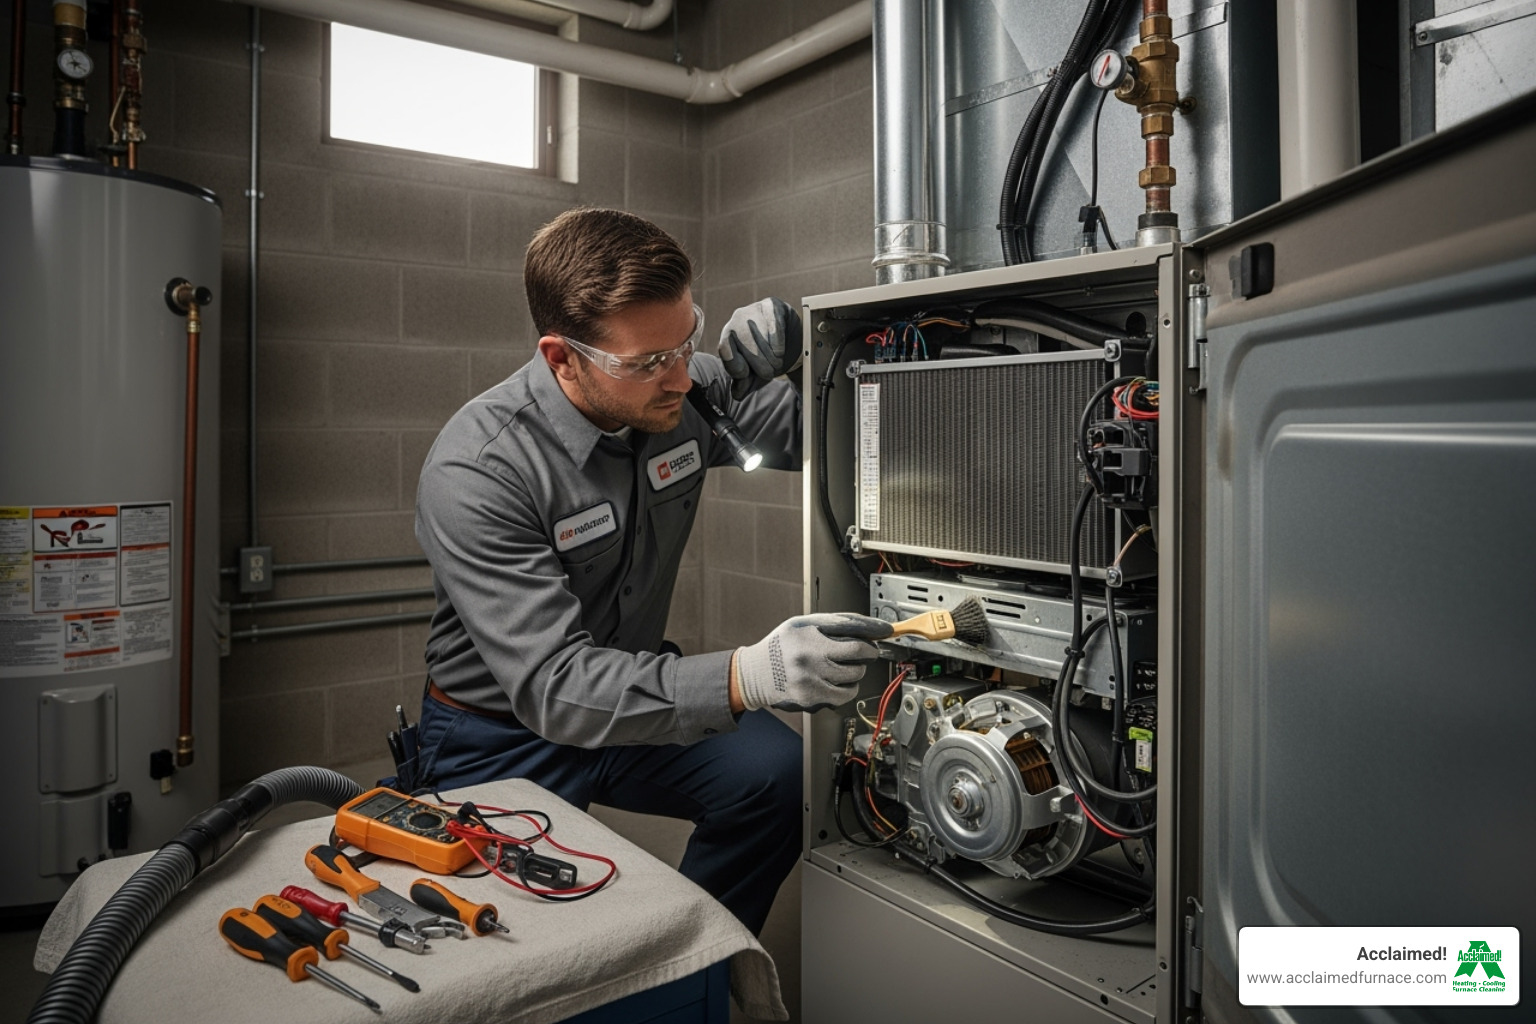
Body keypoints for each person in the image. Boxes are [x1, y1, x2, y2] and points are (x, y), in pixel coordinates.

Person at [410, 207, 893, 935]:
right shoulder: (481, 469)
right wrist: (747, 675)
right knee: (497, 936)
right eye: (646, 362)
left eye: (687, 339)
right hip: (501, 730)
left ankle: (694, 964)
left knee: (776, 780)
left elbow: (833, 444)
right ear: (560, 356)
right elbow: (556, 689)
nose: (679, 376)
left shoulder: (687, 388)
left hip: (634, 694)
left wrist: (811, 355)